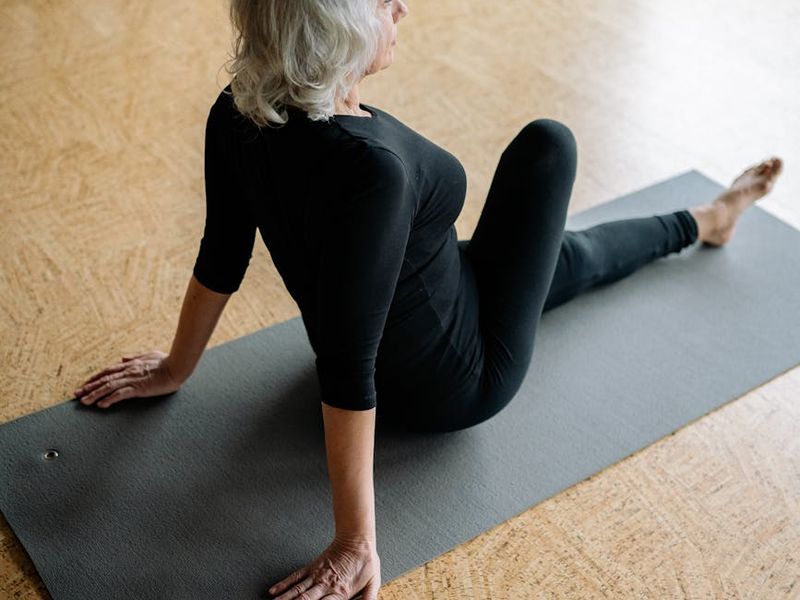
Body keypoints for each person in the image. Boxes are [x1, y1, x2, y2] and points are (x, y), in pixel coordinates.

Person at [73, 1, 784, 598]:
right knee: (551, 146)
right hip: (459, 379)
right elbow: (348, 365)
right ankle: (709, 219)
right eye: (383, 3)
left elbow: (222, 253)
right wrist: (355, 543)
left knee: (564, 258)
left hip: (423, 300)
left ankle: (707, 220)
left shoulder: (238, 110)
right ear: (336, 30)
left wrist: (178, 366)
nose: (402, 9)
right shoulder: (373, 170)